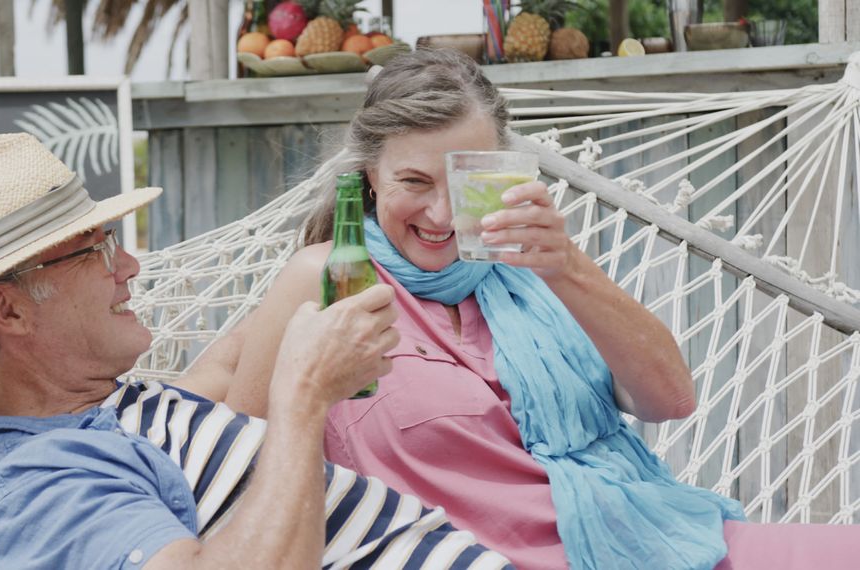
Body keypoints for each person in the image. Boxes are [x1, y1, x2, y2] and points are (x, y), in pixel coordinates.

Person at [223, 48, 860, 570]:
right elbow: (235, 463)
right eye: (414, 182)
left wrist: (568, 266)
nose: (442, 215)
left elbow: (670, 399)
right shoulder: (329, 279)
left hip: (643, 537)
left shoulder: (526, 268)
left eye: (466, 181)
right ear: (369, 175)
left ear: (500, 171)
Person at [0, 133, 514, 569]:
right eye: (96, 249)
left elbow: (236, 356)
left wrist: (397, 206)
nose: (129, 265)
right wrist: (303, 398)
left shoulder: (121, 414)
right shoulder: (36, 489)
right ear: (9, 310)